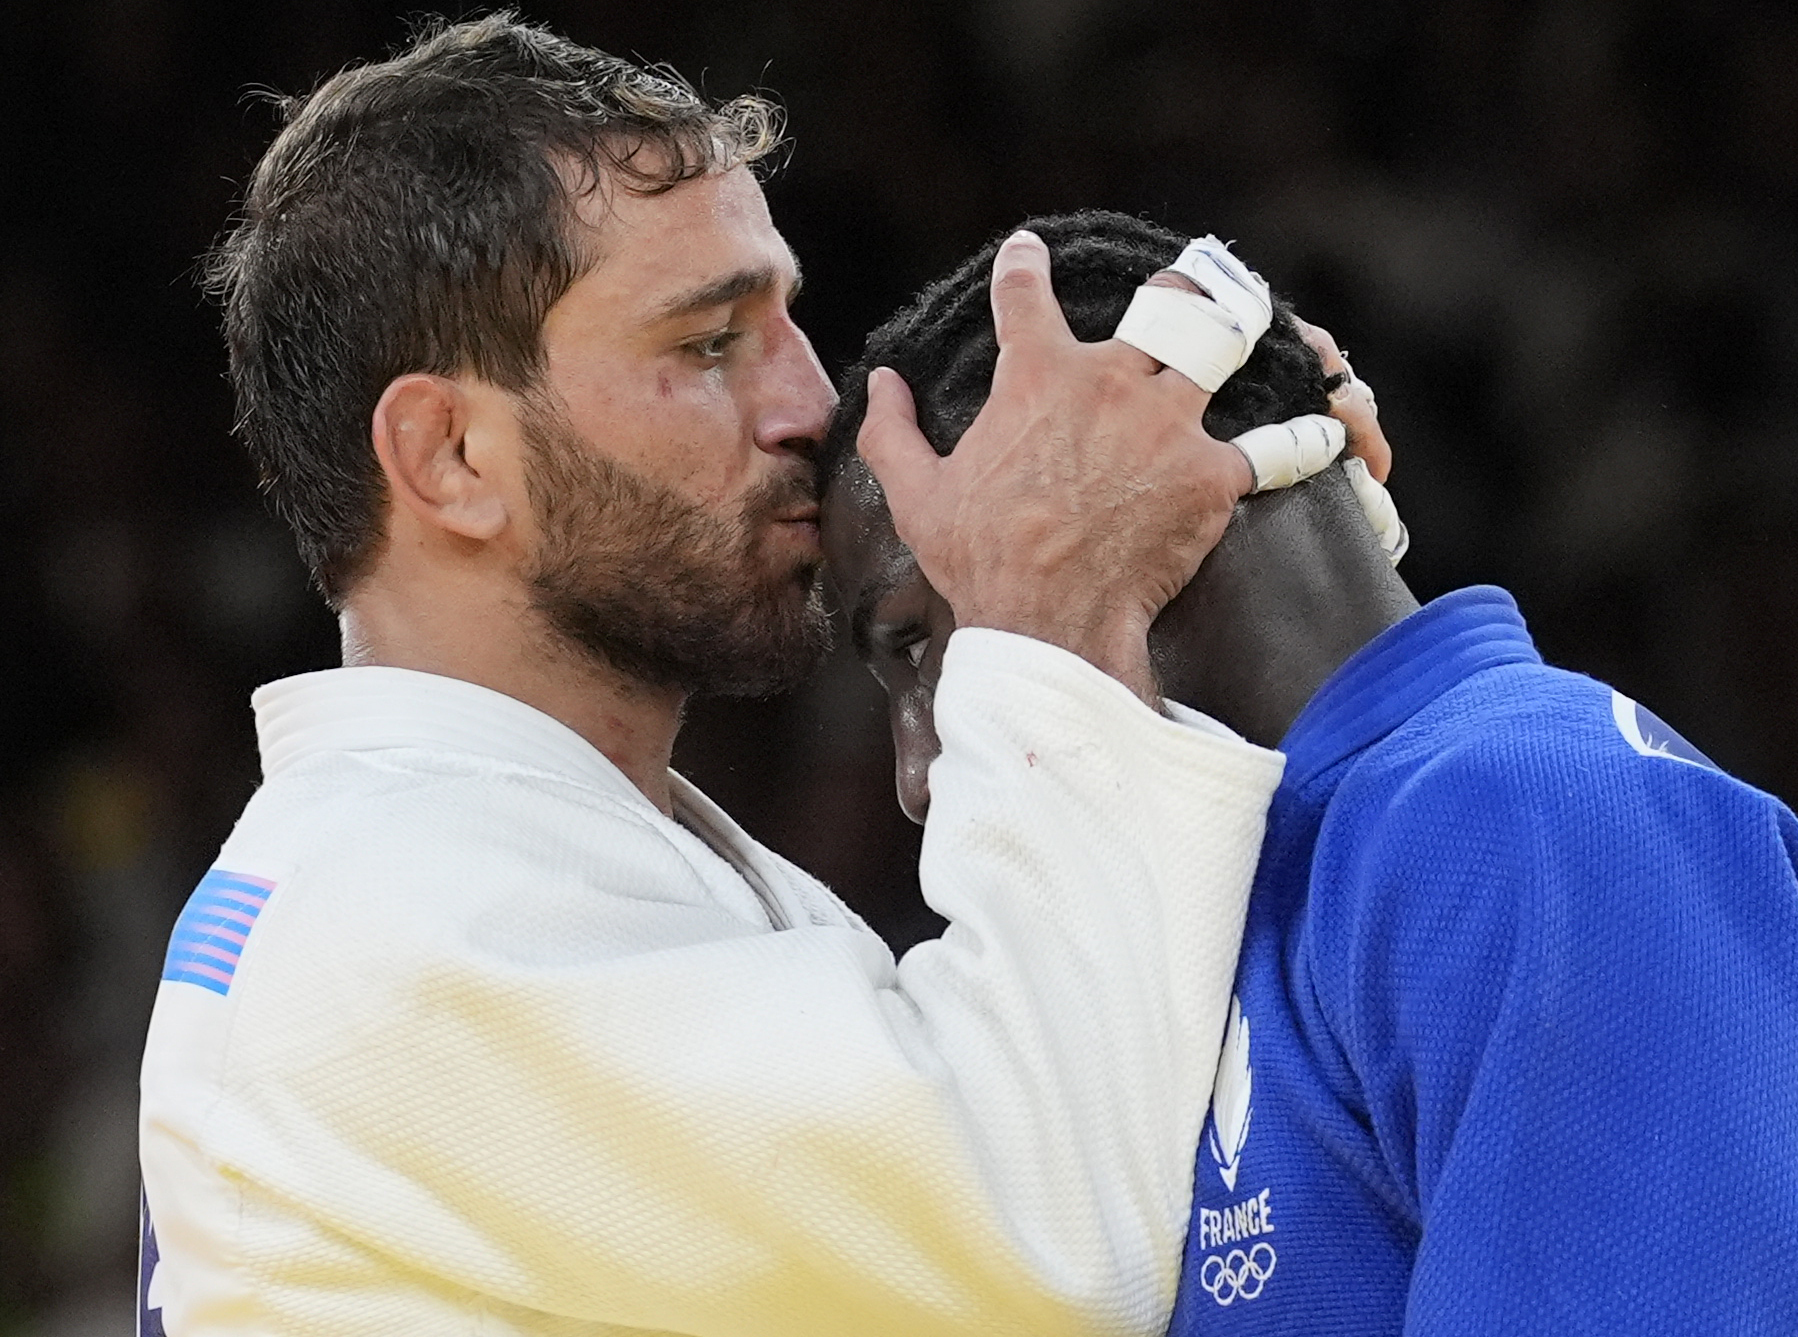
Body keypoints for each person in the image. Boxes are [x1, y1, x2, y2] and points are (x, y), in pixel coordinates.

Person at [138, 20, 1295, 1337]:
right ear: (451, 454)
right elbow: (1062, 1246)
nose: (814, 400)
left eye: (785, 323)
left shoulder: (483, 854)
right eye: (704, 344)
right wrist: (1053, 616)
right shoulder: (410, 916)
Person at [822, 209, 1798, 1336]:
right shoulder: (1207, 908)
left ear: (1082, 496)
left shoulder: (1534, 813)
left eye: (913, 644)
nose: (915, 766)